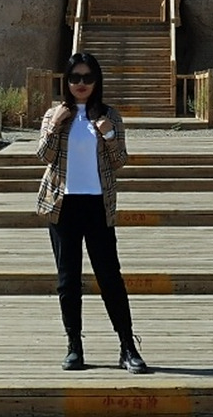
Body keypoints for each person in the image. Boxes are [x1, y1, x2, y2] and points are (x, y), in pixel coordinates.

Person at [35, 51, 148, 373]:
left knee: (110, 277)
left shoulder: (110, 115)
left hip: (97, 205)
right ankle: (74, 346)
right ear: (66, 81)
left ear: (97, 81)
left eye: (87, 77)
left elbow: (119, 160)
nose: (80, 84)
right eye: (74, 78)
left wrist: (108, 133)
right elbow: (43, 155)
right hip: (63, 205)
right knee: (68, 281)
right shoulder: (54, 115)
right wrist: (55, 127)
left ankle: (127, 346)